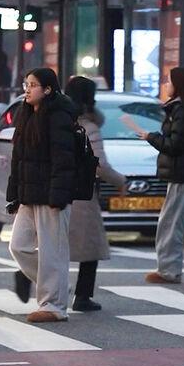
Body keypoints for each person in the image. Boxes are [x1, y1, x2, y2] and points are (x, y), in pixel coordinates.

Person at [7, 67, 77, 323]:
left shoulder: (59, 116)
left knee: (52, 251)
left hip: (51, 194)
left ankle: (54, 305)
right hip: (29, 193)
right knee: (19, 246)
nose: (27, 88)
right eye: (26, 83)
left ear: (47, 89)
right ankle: (58, 285)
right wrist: (14, 193)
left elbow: (63, 160)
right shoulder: (25, 114)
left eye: (33, 84)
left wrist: (58, 195)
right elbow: (19, 159)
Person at [63, 76, 127, 311]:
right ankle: (82, 295)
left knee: (53, 245)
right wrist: (120, 181)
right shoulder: (87, 127)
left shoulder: (57, 121)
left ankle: (47, 288)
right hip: (82, 193)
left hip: (55, 191)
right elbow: (98, 164)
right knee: (90, 246)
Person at [140, 67, 184, 284]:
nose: (165, 85)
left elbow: (176, 145)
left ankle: (169, 270)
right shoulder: (181, 109)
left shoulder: (182, 110)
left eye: (168, 81)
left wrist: (151, 137)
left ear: (177, 85)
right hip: (182, 173)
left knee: (170, 223)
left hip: (182, 174)